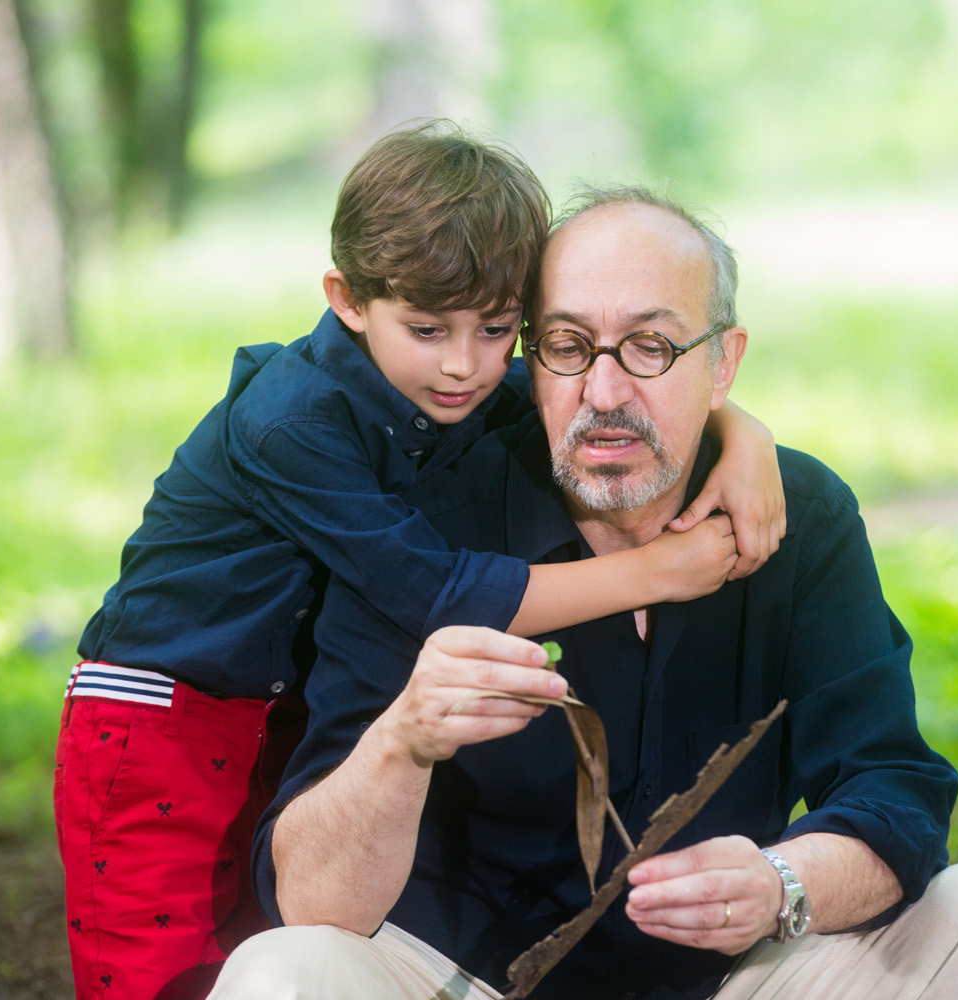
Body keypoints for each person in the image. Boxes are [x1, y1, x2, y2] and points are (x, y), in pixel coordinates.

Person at [211, 186, 958, 1000]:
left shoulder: (800, 516)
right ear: (530, 359)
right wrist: (402, 741)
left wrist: (782, 883)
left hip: (728, 983)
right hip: (459, 981)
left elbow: (892, 788)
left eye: (651, 347)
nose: (602, 390)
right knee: (281, 972)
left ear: (723, 366)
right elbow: (312, 900)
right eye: (565, 345)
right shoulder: (418, 524)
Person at [55, 127, 787, 1000]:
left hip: (284, 711)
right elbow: (435, 595)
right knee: (161, 971)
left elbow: (605, 401)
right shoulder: (293, 421)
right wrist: (664, 572)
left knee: (264, 940)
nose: (464, 365)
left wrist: (745, 432)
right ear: (348, 299)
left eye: (497, 329)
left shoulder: (453, 383)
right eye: (428, 327)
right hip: (165, 718)